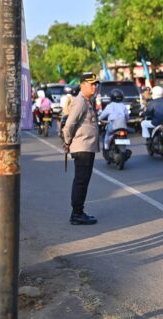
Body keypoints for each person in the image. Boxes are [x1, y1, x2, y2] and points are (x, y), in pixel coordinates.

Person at [62, 72, 101, 225]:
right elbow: (70, 124)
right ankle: (76, 214)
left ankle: (78, 211)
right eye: (91, 84)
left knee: (83, 180)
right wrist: (67, 142)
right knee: (81, 180)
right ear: (82, 85)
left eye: (95, 84)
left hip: (87, 146)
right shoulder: (80, 102)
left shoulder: (87, 101)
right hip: (82, 146)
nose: (94, 87)